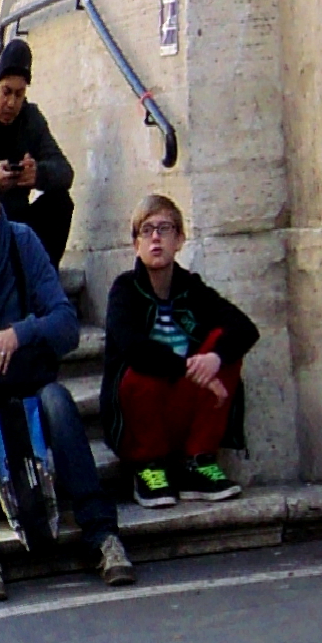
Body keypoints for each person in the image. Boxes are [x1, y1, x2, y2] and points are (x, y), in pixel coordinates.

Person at [0, 159, 132, 599]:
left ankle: (103, 536)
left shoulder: (24, 246)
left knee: (58, 399)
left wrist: (19, 334)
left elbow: (67, 324)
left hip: (28, 391)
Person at [100, 193, 257, 507]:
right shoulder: (125, 289)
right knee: (143, 370)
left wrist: (213, 359)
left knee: (223, 346)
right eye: (146, 230)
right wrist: (190, 369)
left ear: (180, 240)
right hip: (138, 412)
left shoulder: (191, 288)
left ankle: (196, 462)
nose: (156, 237)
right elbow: (134, 348)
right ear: (136, 244)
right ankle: (149, 466)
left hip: (181, 403)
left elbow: (245, 328)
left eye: (165, 228)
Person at [0, 36, 75, 264]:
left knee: (60, 202)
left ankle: (45, 274)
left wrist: (37, 174)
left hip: (20, 219)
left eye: (19, 94)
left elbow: (65, 172)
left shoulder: (31, 118)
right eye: (6, 92)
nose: (11, 103)